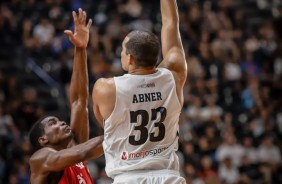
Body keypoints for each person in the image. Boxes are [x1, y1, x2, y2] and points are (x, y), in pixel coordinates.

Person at [92, 0, 187, 183]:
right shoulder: (174, 76)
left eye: (122, 50)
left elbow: (105, 125)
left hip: (128, 177)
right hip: (168, 177)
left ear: (130, 58)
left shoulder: (106, 88)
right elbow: (170, 23)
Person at [29, 8, 103, 184]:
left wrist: (80, 48)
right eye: (52, 123)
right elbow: (83, 152)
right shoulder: (39, 159)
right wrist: (118, 128)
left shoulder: (75, 151)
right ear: (43, 139)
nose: (62, 122)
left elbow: (79, 101)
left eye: (58, 120)